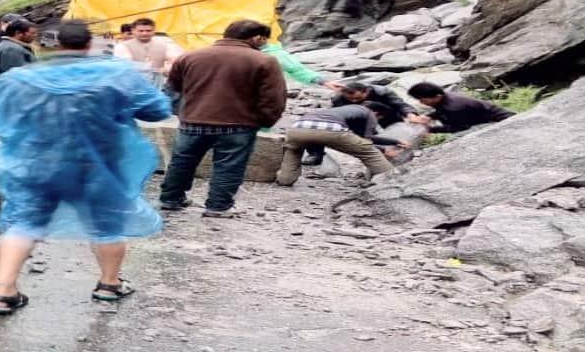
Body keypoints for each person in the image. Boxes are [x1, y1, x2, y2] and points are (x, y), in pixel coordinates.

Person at [0, 20, 173, 316]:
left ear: (51, 45)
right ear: (88, 45)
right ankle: (109, 285)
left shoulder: (18, 78)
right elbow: (157, 109)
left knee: (22, 223)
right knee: (107, 223)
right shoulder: (117, 74)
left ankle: (3, 293)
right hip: (100, 164)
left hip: (35, 163)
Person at [159, 20, 288, 218]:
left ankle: (170, 200)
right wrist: (265, 121)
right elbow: (273, 98)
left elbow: (172, 89)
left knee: (182, 162)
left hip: (193, 121)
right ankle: (218, 207)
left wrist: (183, 113)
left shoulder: (190, 56)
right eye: (264, 39)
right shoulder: (264, 61)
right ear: (257, 38)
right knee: (229, 166)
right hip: (239, 125)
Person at [276, 101, 410, 187]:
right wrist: (384, 150)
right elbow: (366, 139)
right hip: (330, 130)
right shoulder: (369, 113)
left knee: (293, 152)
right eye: (379, 118)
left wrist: (394, 141)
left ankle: (285, 179)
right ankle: (389, 182)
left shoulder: (341, 110)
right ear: (376, 113)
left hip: (297, 128)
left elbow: (355, 137)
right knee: (369, 152)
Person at [302, 80, 418, 166]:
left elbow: (398, 104)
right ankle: (315, 155)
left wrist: (410, 114)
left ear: (366, 91)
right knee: (327, 128)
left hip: (385, 113)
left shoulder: (382, 92)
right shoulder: (339, 99)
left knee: (394, 128)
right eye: (350, 99)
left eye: (357, 98)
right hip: (356, 117)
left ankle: (395, 146)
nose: (354, 101)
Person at [407, 82, 515, 132]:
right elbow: (442, 111)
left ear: (437, 96)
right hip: (485, 117)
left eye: (423, 100)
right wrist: (429, 117)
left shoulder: (454, 107)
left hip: (503, 122)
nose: (421, 103)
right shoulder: (445, 97)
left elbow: (459, 127)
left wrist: (429, 129)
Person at [113, 17, 184, 88]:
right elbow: (126, 65)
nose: (144, 33)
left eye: (148, 30)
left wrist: (169, 68)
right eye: (141, 31)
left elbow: (176, 61)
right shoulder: (122, 46)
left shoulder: (164, 45)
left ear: (154, 31)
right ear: (133, 31)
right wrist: (157, 69)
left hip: (158, 87)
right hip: (132, 87)